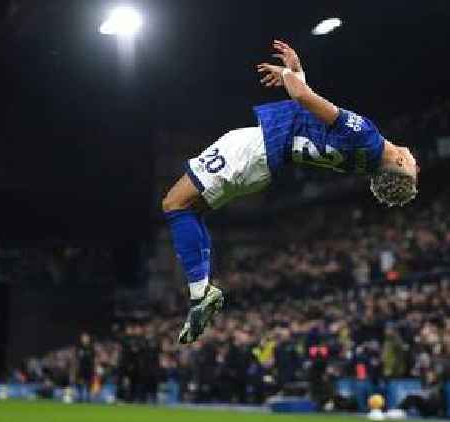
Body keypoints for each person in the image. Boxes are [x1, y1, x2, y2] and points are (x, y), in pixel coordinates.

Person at [161, 40, 419, 344]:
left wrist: (288, 76)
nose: (416, 159)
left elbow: (302, 98)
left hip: (255, 148)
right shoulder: (363, 162)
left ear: (401, 162)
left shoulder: (366, 136)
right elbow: (312, 122)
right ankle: (201, 290)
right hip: (264, 165)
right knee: (191, 209)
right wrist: (296, 71)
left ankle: (199, 292)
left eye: (415, 166)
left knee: (174, 203)